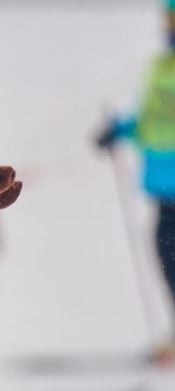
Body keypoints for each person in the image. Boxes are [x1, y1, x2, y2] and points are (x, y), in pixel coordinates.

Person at [96, 2, 175, 364]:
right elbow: (154, 120)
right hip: (163, 184)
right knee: (167, 257)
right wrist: (120, 131)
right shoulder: (162, 65)